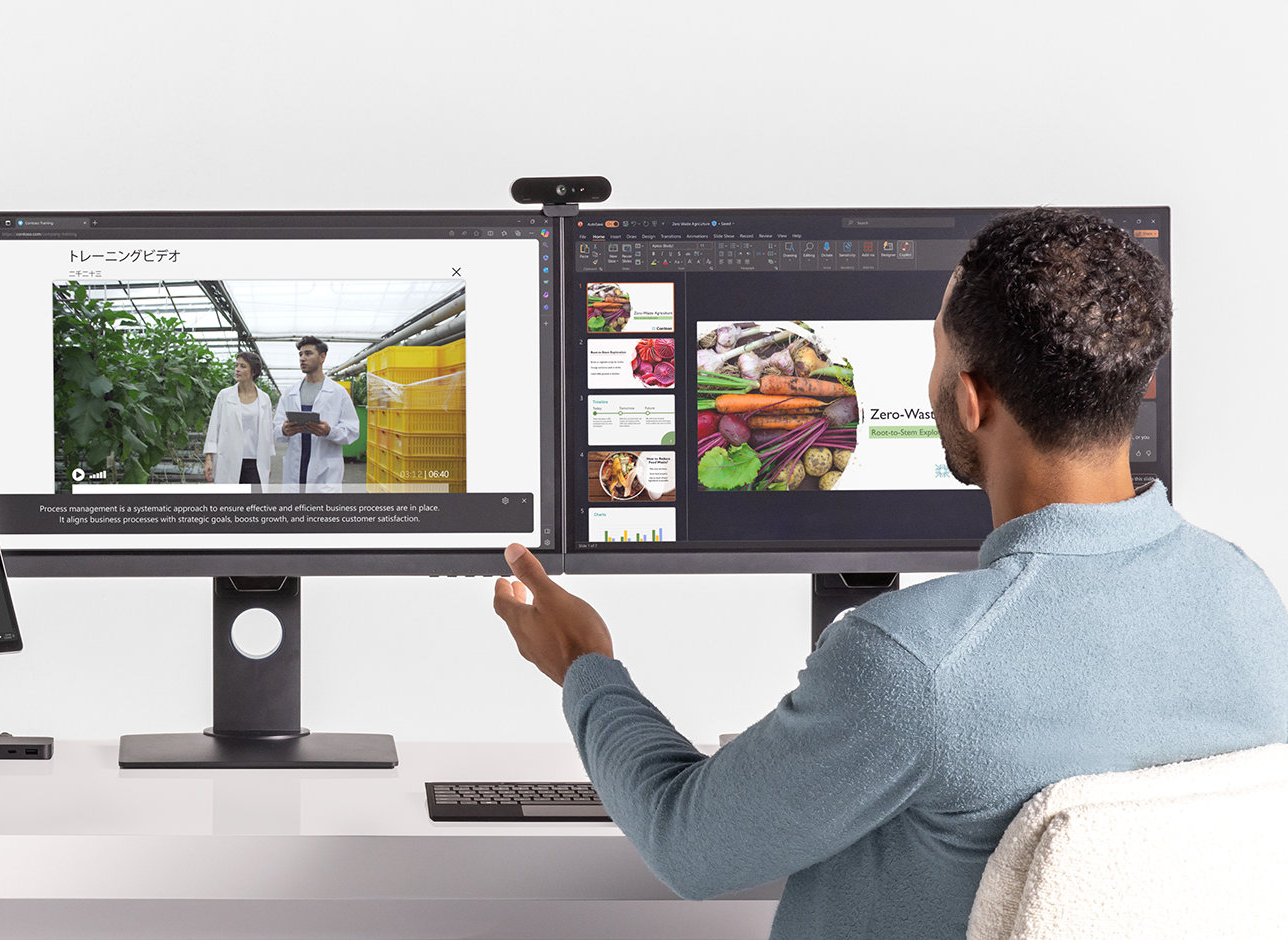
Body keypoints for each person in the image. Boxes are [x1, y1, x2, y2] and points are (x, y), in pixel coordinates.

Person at [491, 208, 1288, 940]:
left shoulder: (916, 666)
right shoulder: (1247, 599)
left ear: (971, 400)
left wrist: (584, 665)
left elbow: (685, 843)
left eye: (935, 352)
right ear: (1137, 385)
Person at [273, 335, 360, 493]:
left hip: (325, 471)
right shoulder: (290, 393)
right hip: (296, 469)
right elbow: (276, 428)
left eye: (308, 353)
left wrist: (329, 431)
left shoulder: (338, 393)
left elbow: (353, 431)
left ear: (322, 357)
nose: (302, 358)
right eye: (300, 354)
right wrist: (284, 430)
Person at [202, 352, 275, 486]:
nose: (237, 369)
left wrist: (267, 463)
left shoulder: (264, 399)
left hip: (255, 462)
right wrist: (208, 459)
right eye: (236, 365)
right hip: (229, 459)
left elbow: (268, 433)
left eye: (242, 366)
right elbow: (214, 428)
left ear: (253, 372)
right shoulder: (224, 395)